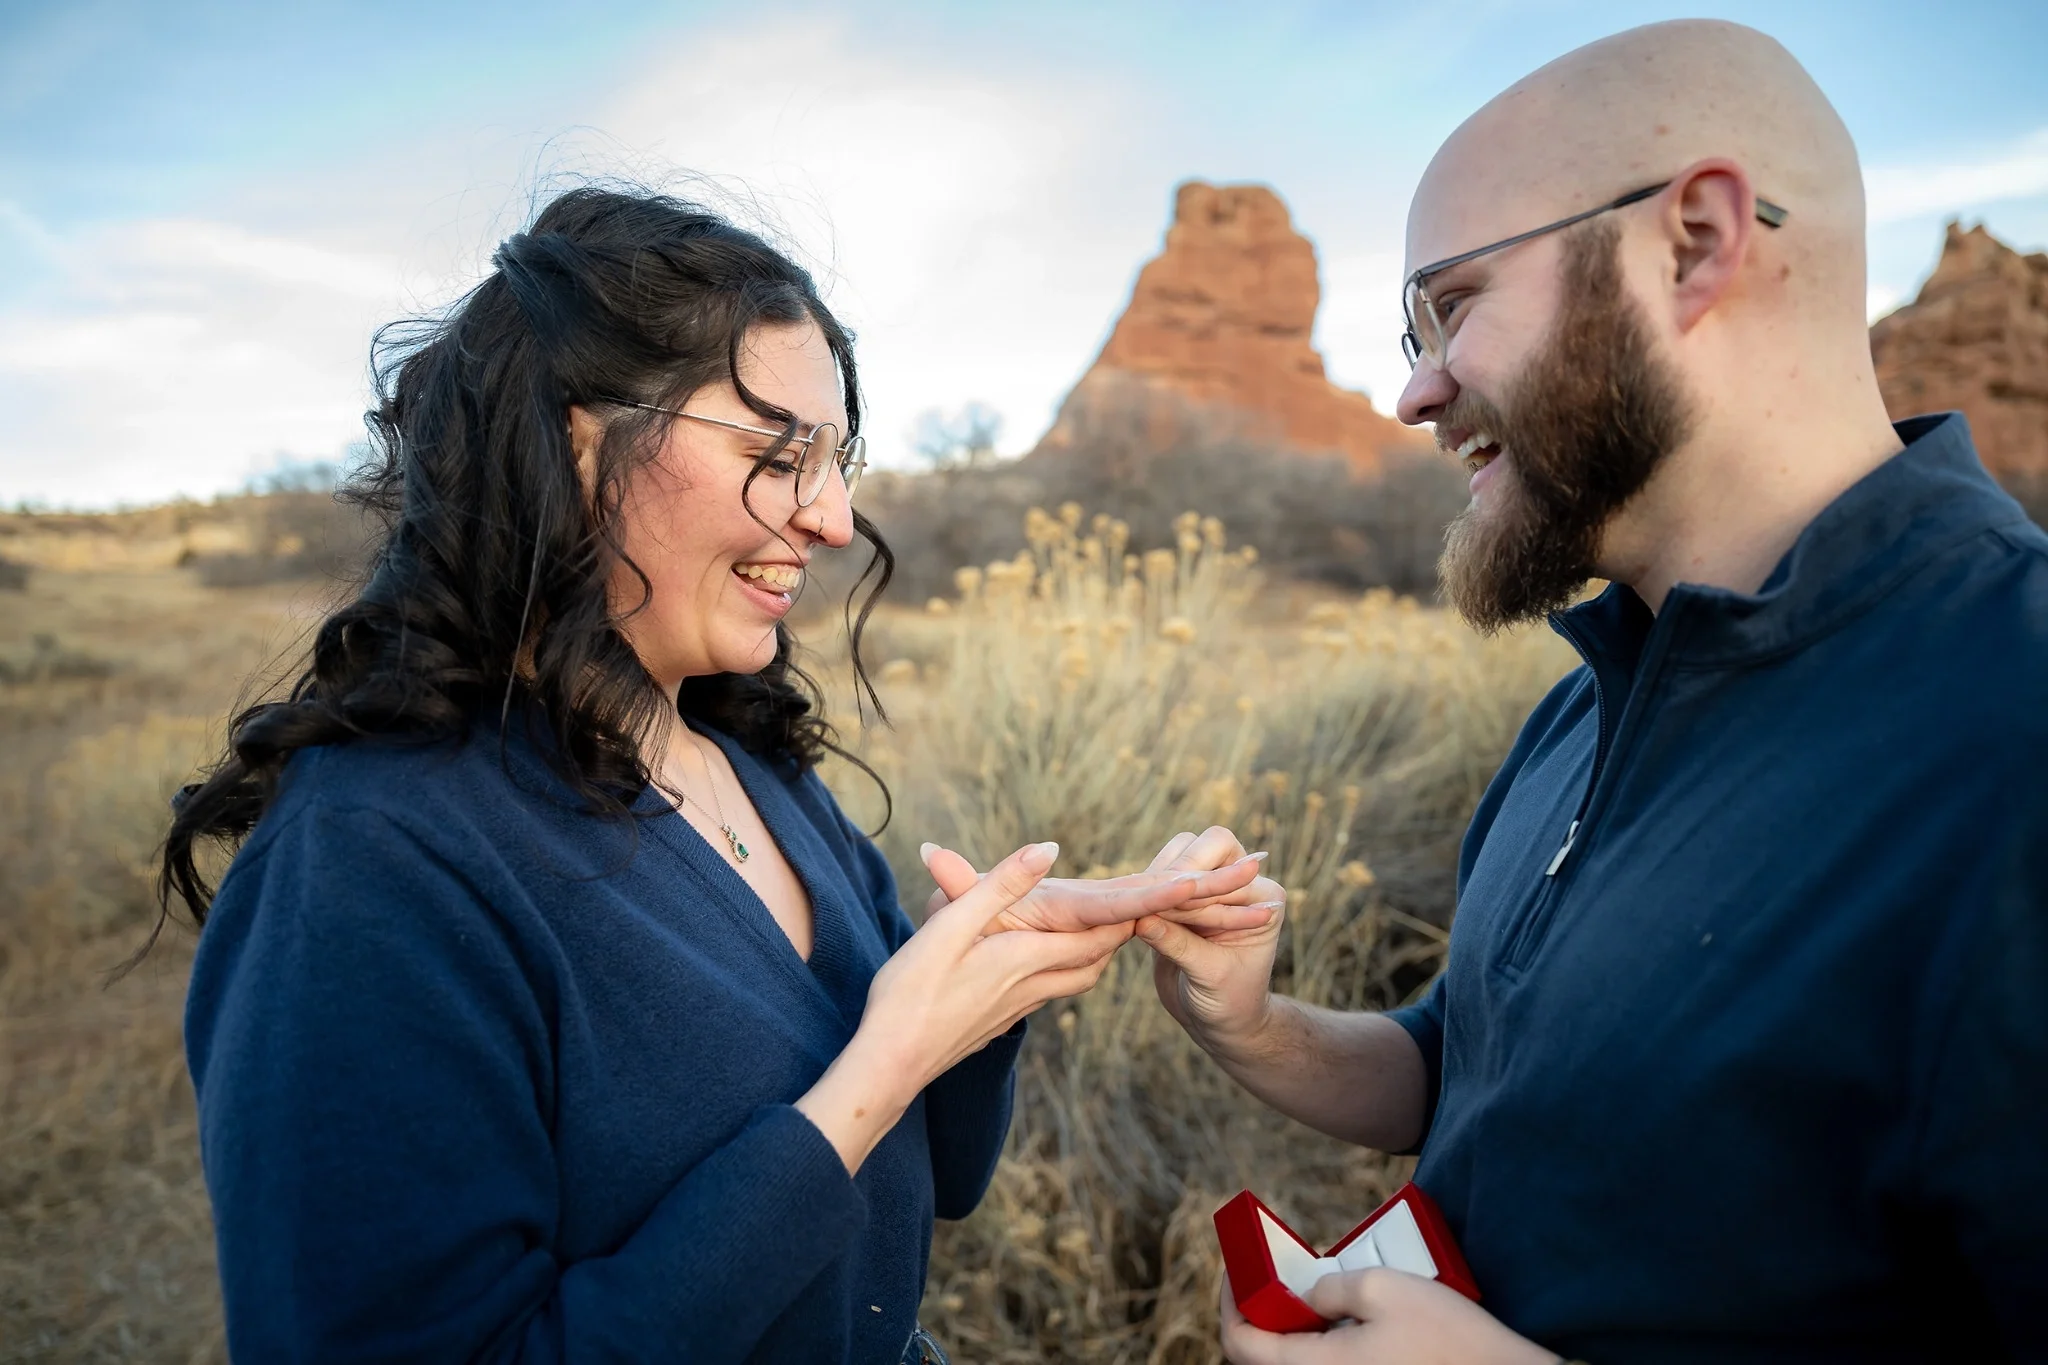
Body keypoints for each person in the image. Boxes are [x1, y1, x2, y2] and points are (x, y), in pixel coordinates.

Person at [161, 187, 1281, 1364]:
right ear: (578, 445)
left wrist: (984, 989)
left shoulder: (752, 766)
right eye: (777, 454)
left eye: (835, 461)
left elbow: (934, 1180)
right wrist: (878, 1063)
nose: (837, 519)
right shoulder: (369, 866)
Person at [1132, 20, 2048, 1365]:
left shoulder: (2016, 725)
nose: (1413, 390)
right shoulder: (1594, 693)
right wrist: (1256, 1026)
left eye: (1451, 305)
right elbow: (1480, 1068)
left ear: (1696, 243)